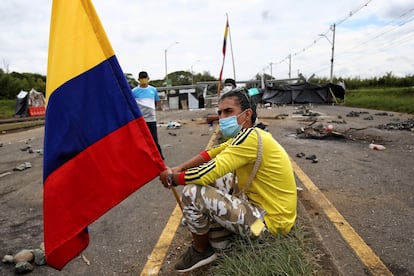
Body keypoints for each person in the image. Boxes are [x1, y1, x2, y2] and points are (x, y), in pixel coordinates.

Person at [159, 88, 297, 272]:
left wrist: (173, 178)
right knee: (222, 176)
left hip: (268, 227)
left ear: (247, 114)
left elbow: (205, 173)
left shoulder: (250, 138)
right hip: (270, 215)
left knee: (193, 193)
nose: (222, 117)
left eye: (228, 111)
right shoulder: (253, 135)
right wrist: (180, 168)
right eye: (220, 113)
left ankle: (201, 250)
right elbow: (213, 153)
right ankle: (219, 238)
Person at [132, 71, 164, 159]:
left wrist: (158, 108)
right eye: (141, 78)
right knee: (141, 140)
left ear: (148, 78)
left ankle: (159, 157)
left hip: (151, 119)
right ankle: (144, 157)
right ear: (138, 80)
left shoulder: (153, 90)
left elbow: (157, 101)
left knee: (154, 139)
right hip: (140, 120)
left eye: (144, 78)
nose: (143, 80)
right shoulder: (134, 91)